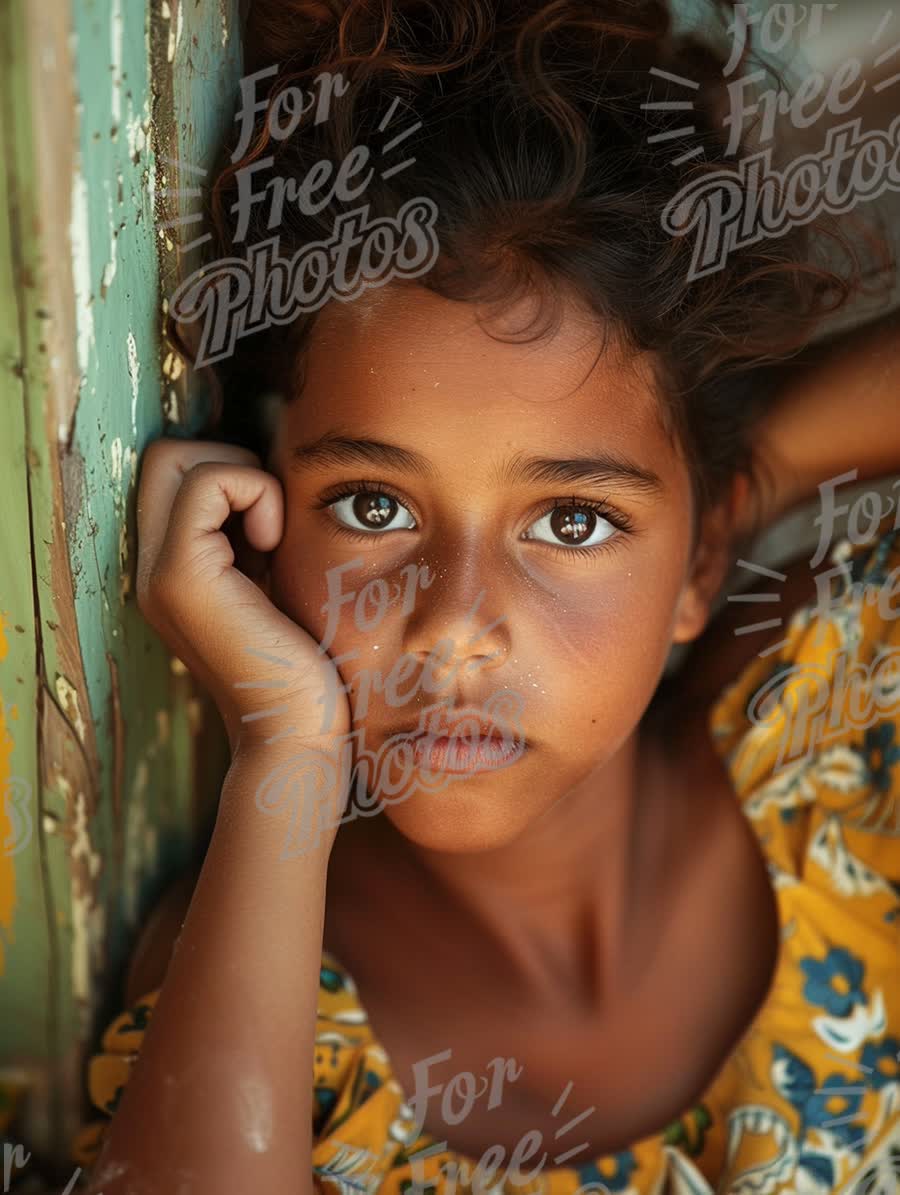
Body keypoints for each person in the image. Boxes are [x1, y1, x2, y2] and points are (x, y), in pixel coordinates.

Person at [70, 2, 900, 1192]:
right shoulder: (263, 1001)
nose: (454, 621)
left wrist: (746, 483)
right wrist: (288, 759)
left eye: (572, 520)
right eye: (371, 505)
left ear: (702, 556)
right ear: (262, 521)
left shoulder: (845, 732)